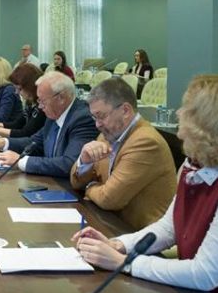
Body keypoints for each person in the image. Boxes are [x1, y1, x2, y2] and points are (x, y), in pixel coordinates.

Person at [72, 75, 218, 293]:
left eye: (187, 110)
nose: (178, 113)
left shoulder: (149, 142)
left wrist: (124, 262)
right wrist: (118, 245)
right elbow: (168, 228)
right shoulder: (194, 166)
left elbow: (205, 274)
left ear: (207, 124)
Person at [70, 78, 176, 229]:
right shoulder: (107, 134)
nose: (97, 124)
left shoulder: (146, 142)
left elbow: (109, 199)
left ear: (125, 110)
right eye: (94, 117)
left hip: (139, 233)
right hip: (109, 222)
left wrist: (90, 187)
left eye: (101, 116)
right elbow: (75, 182)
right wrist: (84, 161)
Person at [0, 71, 98, 178]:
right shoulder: (54, 113)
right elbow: (34, 142)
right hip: (50, 181)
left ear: (61, 98)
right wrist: (3, 143)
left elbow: (69, 164)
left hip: (68, 190)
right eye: (39, 101)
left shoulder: (82, 119)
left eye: (42, 101)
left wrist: (20, 161)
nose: (40, 106)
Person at [0, 63, 46, 138]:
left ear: (30, 87)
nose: (16, 92)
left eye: (19, 89)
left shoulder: (42, 106)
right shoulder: (30, 102)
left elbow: (25, 133)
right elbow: (17, 124)